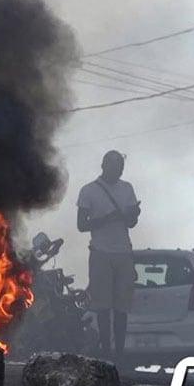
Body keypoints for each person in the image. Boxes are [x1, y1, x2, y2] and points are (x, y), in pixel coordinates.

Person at [77, 150, 141, 360]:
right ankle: (106, 352)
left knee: (121, 307)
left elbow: (131, 223)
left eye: (121, 167)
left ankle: (119, 353)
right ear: (104, 166)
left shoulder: (127, 188)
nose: (119, 171)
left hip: (123, 252)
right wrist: (107, 218)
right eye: (115, 167)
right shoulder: (88, 191)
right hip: (100, 253)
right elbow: (81, 225)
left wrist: (132, 214)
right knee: (103, 306)